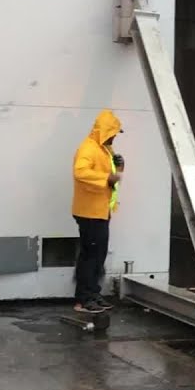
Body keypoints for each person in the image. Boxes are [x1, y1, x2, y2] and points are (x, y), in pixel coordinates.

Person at [71, 109, 124, 313]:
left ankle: (92, 294)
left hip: (99, 211)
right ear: (105, 131)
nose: (114, 136)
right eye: (113, 132)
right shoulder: (89, 148)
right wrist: (107, 178)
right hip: (89, 212)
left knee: (97, 255)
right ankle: (84, 300)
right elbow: (80, 172)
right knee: (91, 256)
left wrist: (118, 170)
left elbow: (112, 180)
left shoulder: (103, 149)